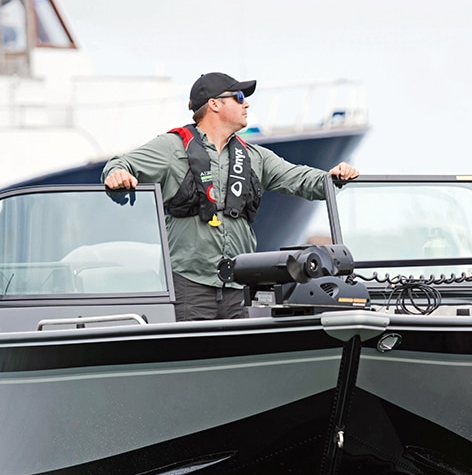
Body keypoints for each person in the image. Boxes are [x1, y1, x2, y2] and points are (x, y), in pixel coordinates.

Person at [103, 72, 359, 320]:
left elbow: (303, 180)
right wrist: (116, 174)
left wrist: (333, 177)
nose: (246, 103)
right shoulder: (171, 147)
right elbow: (120, 164)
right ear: (214, 104)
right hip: (190, 285)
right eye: (238, 96)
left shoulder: (255, 156)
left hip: (239, 286)